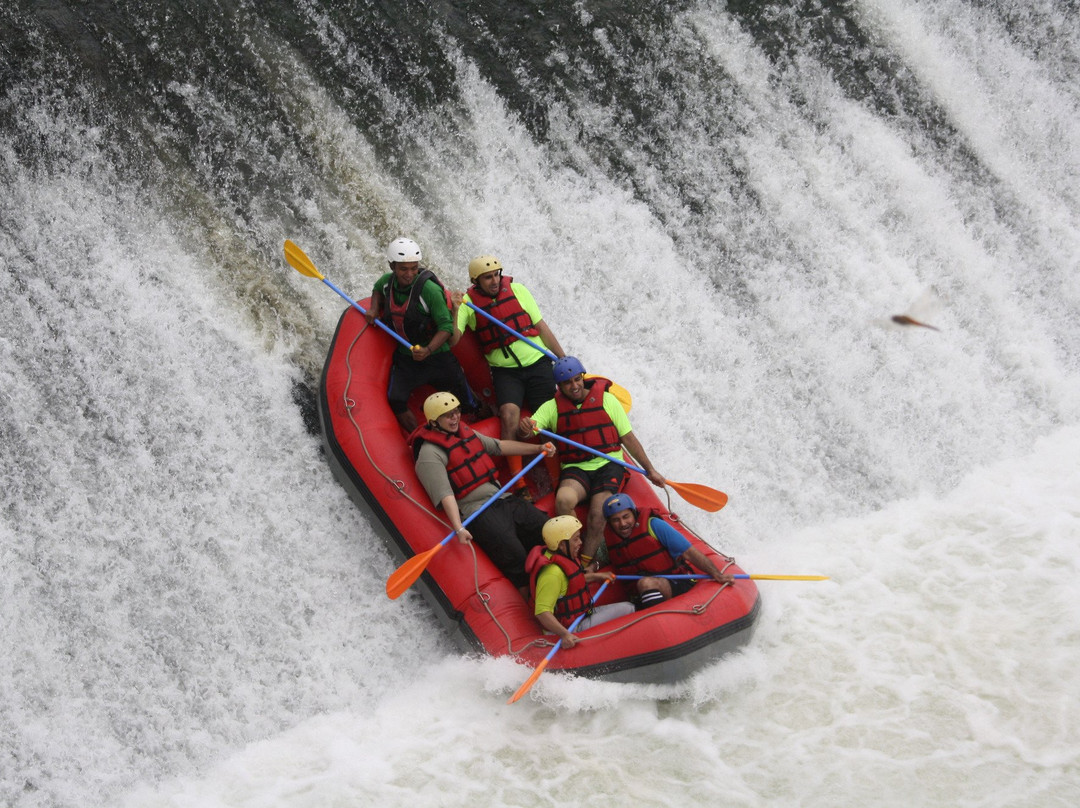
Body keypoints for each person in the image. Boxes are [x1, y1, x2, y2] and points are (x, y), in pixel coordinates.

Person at [518, 356, 666, 571]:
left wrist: (650, 470)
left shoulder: (607, 400)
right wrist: (525, 428)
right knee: (563, 500)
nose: (574, 386)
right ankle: (574, 553)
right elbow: (531, 428)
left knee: (599, 511)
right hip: (576, 468)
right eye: (567, 383)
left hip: (609, 464)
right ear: (559, 386)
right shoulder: (552, 407)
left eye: (577, 379)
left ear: (583, 377)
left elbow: (628, 438)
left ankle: (586, 564)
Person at [411, 391, 556, 597]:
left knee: (548, 529)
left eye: (456, 412)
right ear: (434, 421)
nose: (455, 418)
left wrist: (538, 448)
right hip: (477, 512)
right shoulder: (429, 454)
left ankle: (559, 579)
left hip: (502, 498)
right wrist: (458, 527)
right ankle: (529, 599)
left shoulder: (464, 432)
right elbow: (445, 493)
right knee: (514, 554)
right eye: (448, 415)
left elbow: (498, 446)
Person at [451, 255, 566, 451]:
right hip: (506, 372)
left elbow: (541, 327)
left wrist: (563, 358)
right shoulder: (468, 303)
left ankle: (557, 464)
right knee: (508, 415)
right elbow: (454, 340)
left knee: (548, 419)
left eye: (496, 275)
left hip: (538, 363)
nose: (495, 281)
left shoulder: (518, 290)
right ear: (475, 281)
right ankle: (515, 469)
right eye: (488, 277)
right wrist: (455, 311)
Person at [366, 237, 475, 432]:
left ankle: (479, 418)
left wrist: (428, 350)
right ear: (392, 266)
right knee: (395, 399)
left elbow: (446, 327)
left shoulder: (429, 290)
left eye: (413, 268)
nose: (409, 274)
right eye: (403, 269)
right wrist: (374, 308)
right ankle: (420, 436)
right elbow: (377, 289)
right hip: (407, 358)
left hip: (438, 355)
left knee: (466, 401)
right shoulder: (387, 282)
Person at [601, 493, 734, 609]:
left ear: (634, 514)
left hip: (677, 581)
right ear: (610, 523)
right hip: (643, 594)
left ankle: (660, 623)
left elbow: (689, 552)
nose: (623, 524)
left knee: (646, 583)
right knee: (638, 592)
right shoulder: (609, 540)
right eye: (616, 520)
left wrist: (716, 574)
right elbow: (601, 560)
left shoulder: (653, 525)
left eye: (626, 517)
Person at [526, 515, 635, 648]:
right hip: (571, 627)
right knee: (629, 609)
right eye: (576, 539)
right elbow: (542, 612)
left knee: (628, 607)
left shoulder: (563, 556)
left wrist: (596, 576)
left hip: (582, 614)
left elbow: (572, 580)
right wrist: (565, 635)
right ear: (561, 544)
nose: (580, 543)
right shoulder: (552, 574)